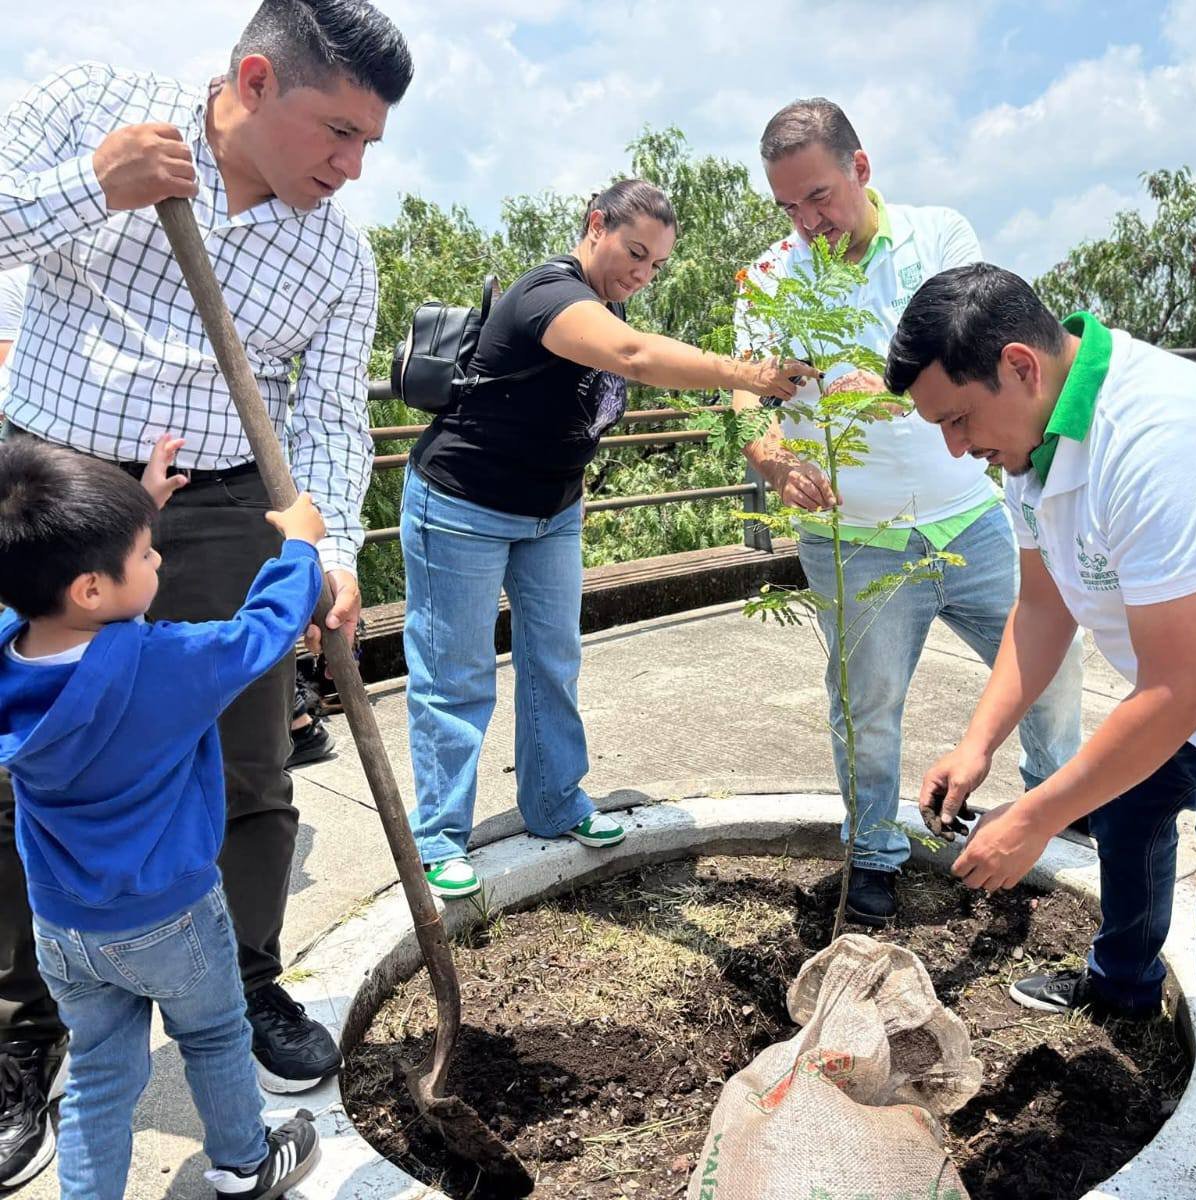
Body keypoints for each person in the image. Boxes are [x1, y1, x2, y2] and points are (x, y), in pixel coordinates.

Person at [0, 0, 413, 1167]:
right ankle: (28, 1027)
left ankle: (244, 977)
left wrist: (330, 551)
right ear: (256, 80)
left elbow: (330, 419)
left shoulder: (335, 253)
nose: (351, 166)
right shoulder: (92, 109)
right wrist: (91, 189)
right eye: (338, 131)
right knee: (29, 762)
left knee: (248, 759)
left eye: (370, 142)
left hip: (227, 506)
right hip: (51, 496)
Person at [890, 264, 1196, 1200]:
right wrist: (978, 742)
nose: (955, 448)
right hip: (1190, 678)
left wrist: (1035, 816)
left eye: (956, 419)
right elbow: (1043, 608)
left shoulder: (1159, 441)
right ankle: (1121, 979)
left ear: (1021, 365)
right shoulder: (1030, 445)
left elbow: (1181, 693)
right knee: (1124, 811)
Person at [403, 179, 815, 900]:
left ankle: (556, 802)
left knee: (554, 660)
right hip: (462, 504)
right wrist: (747, 374)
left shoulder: (607, 300)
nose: (643, 273)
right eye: (635, 252)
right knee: (455, 674)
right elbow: (633, 356)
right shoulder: (548, 295)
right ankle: (438, 837)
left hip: (552, 513)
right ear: (596, 225)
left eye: (656, 264)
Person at [732, 99, 1084, 926]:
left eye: (819, 196)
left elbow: (968, 357)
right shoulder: (769, 279)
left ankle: (1057, 814)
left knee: (1052, 665)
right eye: (787, 206)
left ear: (860, 167)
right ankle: (874, 854)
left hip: (970, 515)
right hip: (852, 535)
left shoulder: (940, 238)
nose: (807, 221)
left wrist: (882, 389)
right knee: (867, 705)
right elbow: (745, 397)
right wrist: (774, 459)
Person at [0, 435, 327, 1199]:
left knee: (101, 1070)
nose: (159, 561)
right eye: (147, 554)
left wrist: (132, 511)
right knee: (214, 1034)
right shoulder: (166, 662)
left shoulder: (12, 651)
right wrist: (301, 549)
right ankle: (245, 1164)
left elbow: (80, 592)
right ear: (91, 588)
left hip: (65, 926)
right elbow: (263, 630)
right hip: (171, 917)